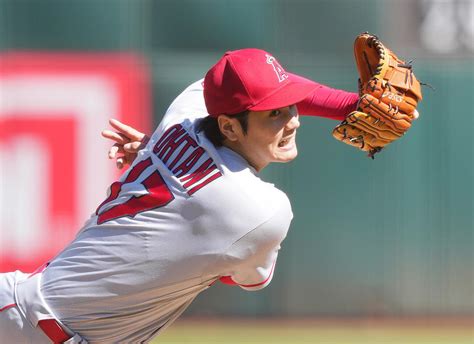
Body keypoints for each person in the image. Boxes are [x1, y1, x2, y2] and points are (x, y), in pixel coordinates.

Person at [0, 48, 359, 343]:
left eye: (291, 105)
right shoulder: (259, 209)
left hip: (23, 309)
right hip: (39, 330)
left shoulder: (183, 115)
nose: (293, 120)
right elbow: (248, 277)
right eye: (274, 114)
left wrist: (352, 105)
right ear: (230, 127)